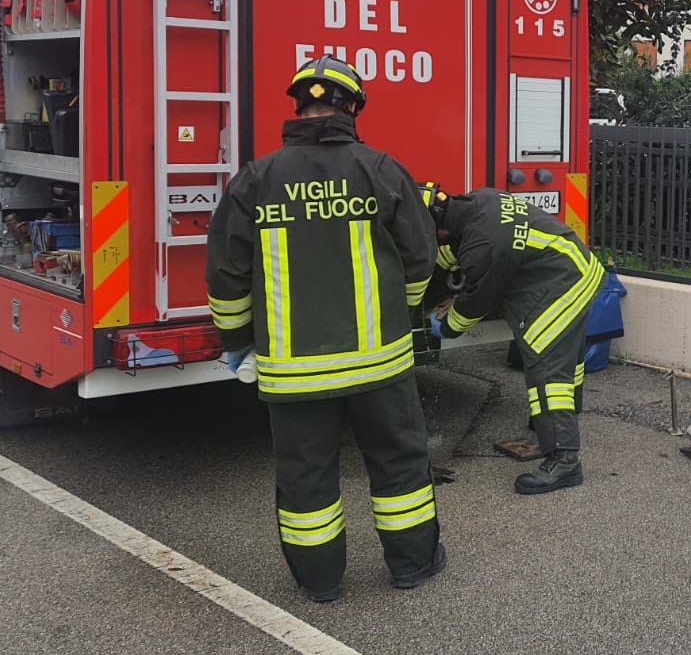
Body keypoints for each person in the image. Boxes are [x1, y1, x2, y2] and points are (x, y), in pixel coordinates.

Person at [206, 55, 445, 602]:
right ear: (353, 108)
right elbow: (420, 260)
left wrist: (238, 341)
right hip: (380, 364)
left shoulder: (256, 179)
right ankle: (412, 566)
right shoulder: (381, 170)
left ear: (298, 106)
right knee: (399, 465)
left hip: (293, 371)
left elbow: (225, 275)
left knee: (306, 477)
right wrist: (403, 314)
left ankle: (319, 582)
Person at [423, 185, 603, 494]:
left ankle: (565, 460)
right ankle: (556, 420)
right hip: (576, 268)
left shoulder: (484, 244)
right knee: (567, 360)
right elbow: (447, 257)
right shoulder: (476, 205)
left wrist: (447, 326)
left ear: (437, 228)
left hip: (562, 283)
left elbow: (475, 303)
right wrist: (429, 293)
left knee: (547, 370)